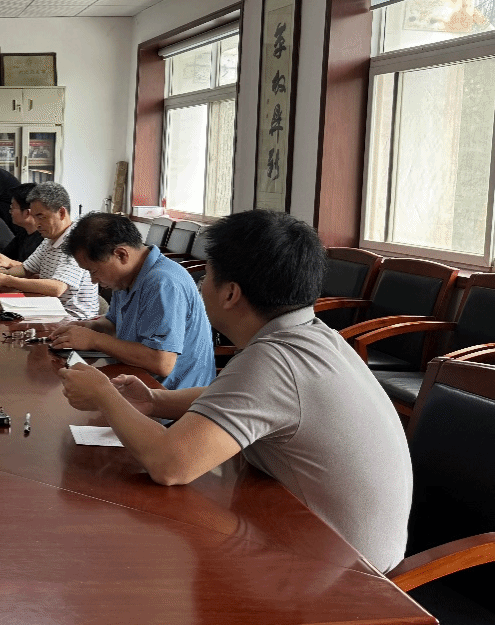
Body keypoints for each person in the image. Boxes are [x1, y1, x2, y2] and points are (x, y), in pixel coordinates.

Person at [58, 209, 412, 573]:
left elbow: (169, 465)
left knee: (147, 555)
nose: (200, 287)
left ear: (230, 294)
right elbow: (243, 401)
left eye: (207, 276)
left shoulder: (273, 362)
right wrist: (154, 401)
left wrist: (104, 394)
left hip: (347, 579)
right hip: (328, 545)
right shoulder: (315, 336)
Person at [50, 212, 214, 390]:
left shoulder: (162, 283)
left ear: (121, 255)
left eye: (93, 271)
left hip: (172, 394)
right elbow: (114, 324)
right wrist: (89, 327)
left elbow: (161, 362)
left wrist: (94, 339)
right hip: (136, 378)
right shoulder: (126, 277)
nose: (93, 280)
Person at [0, 183, 99, 318]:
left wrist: (7, 280)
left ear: (61, 213)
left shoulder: (76, 241)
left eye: (41, 216)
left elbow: (57, 288)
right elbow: (26, 269)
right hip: (49, 310)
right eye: (34, 217)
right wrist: (0, 273)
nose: (37, 223)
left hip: (73, 318)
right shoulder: (49, 239)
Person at [0, 183, 42, 265]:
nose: (10, 212)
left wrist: (10, 263)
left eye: (12, 208)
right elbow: (4, 256)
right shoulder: (24, 234)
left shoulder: (46, 238)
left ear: (27, 212)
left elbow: (38, 270)